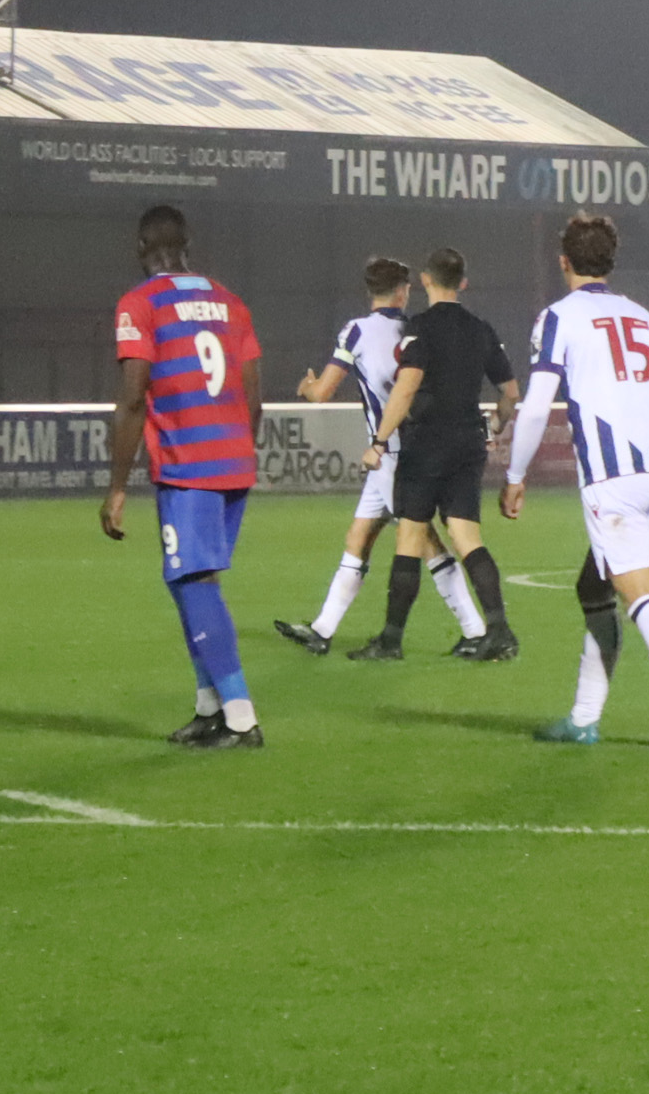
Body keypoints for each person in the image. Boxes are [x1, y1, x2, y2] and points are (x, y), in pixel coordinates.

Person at [504, 212, 649, 749]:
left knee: (641, 595)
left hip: (612, 482)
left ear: (563, 261)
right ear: (611, 260)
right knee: (593, 586)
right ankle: (582, 720)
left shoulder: (559, 317)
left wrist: (514, 473)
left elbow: (535, 407)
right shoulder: (646, 318)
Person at [100, 206, 264, 749]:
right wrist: (239, 453)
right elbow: (252, 393)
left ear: (141, 246)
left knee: (193, 585)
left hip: (189, 467)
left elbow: (131, 401)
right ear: (187, 244)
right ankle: (209, 708)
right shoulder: (230, 302)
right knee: (192, 583)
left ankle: (241, 720)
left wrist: (117, 487)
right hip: (234, 461)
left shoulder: (140, 304)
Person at [273, 255, 488, 656]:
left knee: (424, 541)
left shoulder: (357, 331)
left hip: (392, 453)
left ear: (370, 291)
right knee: (359, 536)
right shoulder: (417, 330)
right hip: (413, 448)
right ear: (404, 291)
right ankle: (321, 630)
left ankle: (476, 630)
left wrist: (306, 387)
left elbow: (321, 393)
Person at [353, 247, 520, 661]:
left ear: (426, 280)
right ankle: (498, 630)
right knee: (466, 537)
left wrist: (378, 442)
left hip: (426, 444)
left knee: (410, 536)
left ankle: (390, 640)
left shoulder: (419, 328)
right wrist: (497, 424)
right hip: (466, 444)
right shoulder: (480, 329)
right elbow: (510, 392)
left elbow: (407, 386)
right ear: (463, 282)